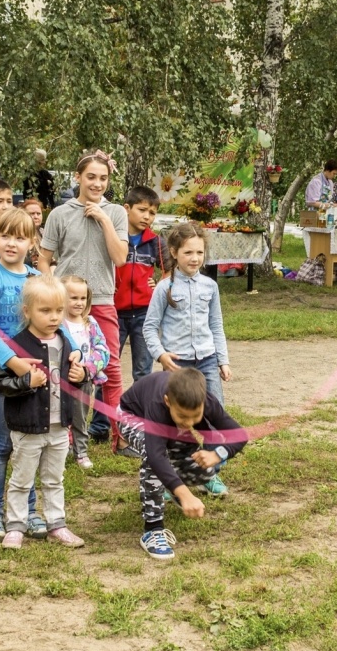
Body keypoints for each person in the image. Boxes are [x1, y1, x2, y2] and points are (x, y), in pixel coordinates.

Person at [39, 150, 129, 449]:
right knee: (61, 365)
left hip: (101, 300)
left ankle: (119, 435)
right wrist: (53, 289)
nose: (97, 183)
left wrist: (103, 218)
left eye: (103, 178)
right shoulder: (59, 214)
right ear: (78, 177)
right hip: (64, 303)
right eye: (91, 177)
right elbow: (44, 258)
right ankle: (62, 435)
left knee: (110, 366)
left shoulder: (116, 213)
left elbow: (119, 258)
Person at [0, 276, 87, 550]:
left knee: (54, 479)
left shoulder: (66, 343)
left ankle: (56, 524)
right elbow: (1, 384)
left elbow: (75, 380)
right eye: (45, 311)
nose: (53, 317)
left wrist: (80, 375)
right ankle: (15, 526)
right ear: (27, 311)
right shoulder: (16, 346)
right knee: (22, 480)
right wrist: (26, 382)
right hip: (28, 426)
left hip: (60, 426)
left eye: (58, 311)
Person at [121, 369, 248, 562]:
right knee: (153, 456)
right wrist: (185, 494)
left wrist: (217, 454)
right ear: (167, 402)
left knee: (201, 473)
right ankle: (153, 529)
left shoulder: (206, 401)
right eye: (182, 416)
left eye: (195, 417)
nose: (189, 423)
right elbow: (156, 456)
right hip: (132, 416)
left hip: (167, 421)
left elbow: (239, 435)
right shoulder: (157, 404)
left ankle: (172, 486)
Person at [0, 207, 44, 540]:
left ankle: (27, 511)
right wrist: (12, 360)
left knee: (27, 447)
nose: (11, 243)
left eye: (19, 237)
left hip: (33, 377)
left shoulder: (35, 279)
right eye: (4, 235)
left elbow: (51, 319)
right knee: (1, 446)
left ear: (32, 242)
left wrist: (73, 349)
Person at [144, 222, 233, 457]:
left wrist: (222, 360)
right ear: (174, 253)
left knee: (214, 414)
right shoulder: (164, 288)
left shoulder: (210, 286)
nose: (195, 258)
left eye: (199, 252)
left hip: (207, 360)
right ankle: (177, 466)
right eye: (188, 252)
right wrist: (161, 354)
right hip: (177, 364)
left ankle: (211, 470)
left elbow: (216, 325)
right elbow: (150, 328)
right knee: (178, 420)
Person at [116, 185, 165, 383]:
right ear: (126, 208)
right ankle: (103, 415)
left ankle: (140, 413)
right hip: (114, 312)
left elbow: (170, 268)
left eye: (152, 213)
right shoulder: (114, 237)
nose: (147, 217)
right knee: (108, 367)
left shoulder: (156, 241)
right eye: (142, 210)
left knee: (143, 371)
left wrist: (159, 283)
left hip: (145, 314)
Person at [60, 275, 110, 470]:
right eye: (73, 298)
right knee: (60, 417)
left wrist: (88, 369)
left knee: (80, 417)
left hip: (83, 380)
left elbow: (103, 350)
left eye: (82, 298)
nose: (79, 303)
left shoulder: (90, 323)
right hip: (61, 379)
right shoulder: (58, 323)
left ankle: (81, 451)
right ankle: (62, 450)